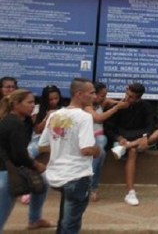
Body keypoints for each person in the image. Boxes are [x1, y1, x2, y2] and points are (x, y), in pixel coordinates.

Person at [38, 78, 101, 234]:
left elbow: (42, 146)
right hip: (76, 176)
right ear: (79, 94)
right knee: (70, 225)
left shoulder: (55, 115)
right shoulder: (84, 117)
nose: (95, 96)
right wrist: (97, 150)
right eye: (92, 93)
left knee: (64, 220)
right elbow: (86, 149)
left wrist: (62, 147)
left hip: (56, 175)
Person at [105, 82, 158, 206]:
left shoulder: (146, 106)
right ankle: (130, 192)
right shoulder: (119, 106)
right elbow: (109, 127)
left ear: (138, 98)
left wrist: (145, 136)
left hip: (138, 138)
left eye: (131, 97)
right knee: (133, 151)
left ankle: (128, 146)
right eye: (127, 94)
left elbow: (151, 126)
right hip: (123, 138)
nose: (127, 98)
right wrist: (118, 137)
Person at [0, 89, 50, 231]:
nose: (32, 105)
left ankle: (35, 219)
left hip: (10, 166)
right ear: (16, 104)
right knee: (3, 209)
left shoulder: (23, 121)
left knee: (43, 183)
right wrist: (35, 164)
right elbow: (19, 154)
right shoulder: (14, 123)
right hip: (5, 170)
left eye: (34, 102)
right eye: (29, 102)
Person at [84, 82, 129, 201]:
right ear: (93, 94)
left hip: (99, 138)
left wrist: (122, 102)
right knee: (101, 151)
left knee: (101, 152)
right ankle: (89, 186)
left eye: (105, 95)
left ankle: (92, 188)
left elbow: (113, 102)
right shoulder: (87, 106)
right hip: (87, 138)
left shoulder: (102, 102)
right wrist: (116, 108)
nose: (104, 98)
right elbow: (98, 118)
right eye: (101, 95)